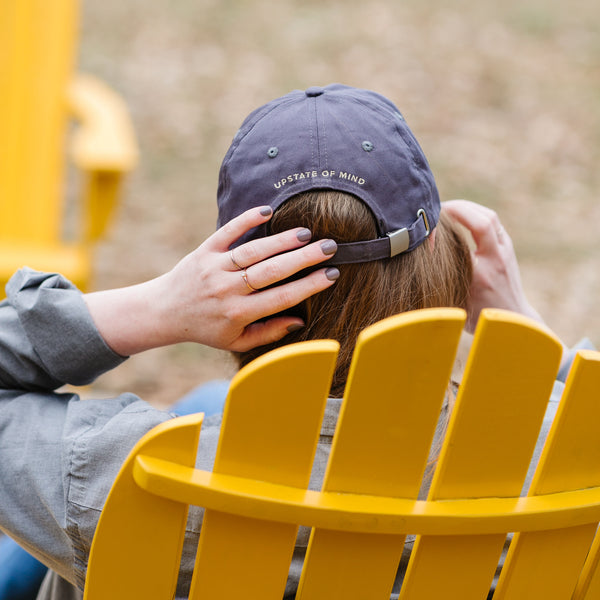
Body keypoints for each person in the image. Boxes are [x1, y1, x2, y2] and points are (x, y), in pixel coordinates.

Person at [0, 84, 592, 599]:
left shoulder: (119, 470)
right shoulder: (561, 464)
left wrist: (153, 309)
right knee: (209, 401)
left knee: (196, 417)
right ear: (441, 259)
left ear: (233, 284)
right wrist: (531, 329)